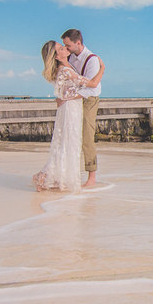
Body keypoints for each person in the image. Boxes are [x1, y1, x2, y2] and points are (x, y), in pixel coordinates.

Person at [32, 41, 88, 192]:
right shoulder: (64, 70)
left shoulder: (65, 68)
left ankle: (54, 176)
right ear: (56, 56)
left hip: (71, 107)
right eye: (61, 48)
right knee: (68, 141)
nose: (65, 49)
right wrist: (101, 69)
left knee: (67, 141)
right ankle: (44, 175)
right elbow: (88, 84)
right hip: (70, 108)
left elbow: (64, 93)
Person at [61, 28, 105, 188]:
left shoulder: (92, 59)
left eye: (68, 46)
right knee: (71, 135)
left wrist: (71, 96)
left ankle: (91, 176)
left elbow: (92, 88)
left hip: (89, 100)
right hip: (74, 99)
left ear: (78, 43)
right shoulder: (70, 57)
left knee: (87, 136)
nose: (66, 49)